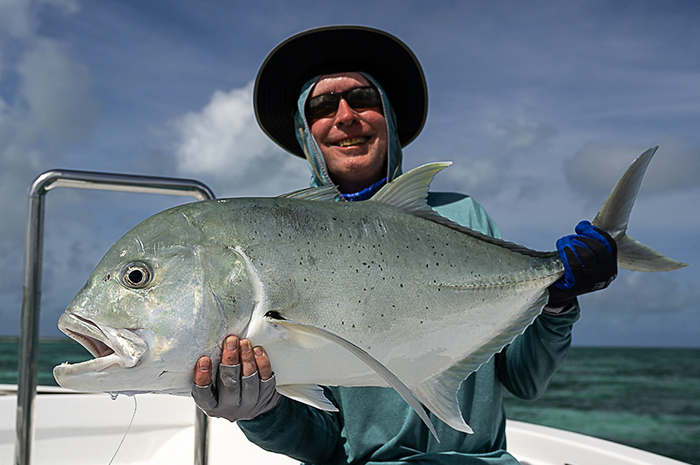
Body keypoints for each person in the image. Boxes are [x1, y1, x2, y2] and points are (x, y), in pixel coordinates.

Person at [191, 25, 617, 464]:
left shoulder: (464, 216)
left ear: (389, 117)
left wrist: (557, 305)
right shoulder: (280, 244)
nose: (345, 117)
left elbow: (525, 379)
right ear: (305, 133)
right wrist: (261, 411)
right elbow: (323, 445)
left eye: (362, 99)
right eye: (321, 106)